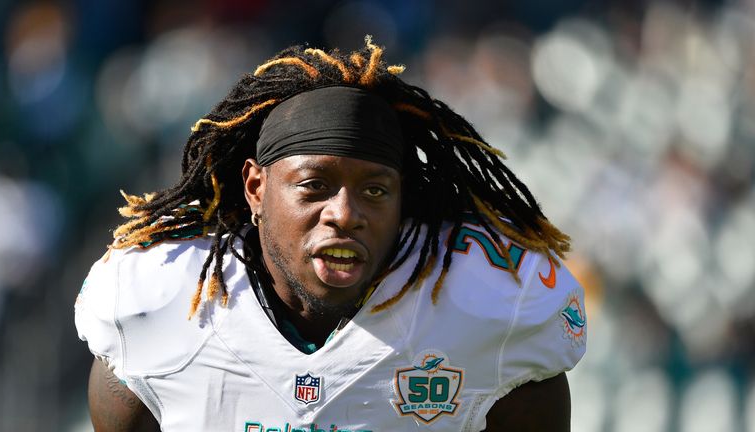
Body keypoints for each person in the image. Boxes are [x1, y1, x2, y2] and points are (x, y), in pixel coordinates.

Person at [75, 38, 586, 431]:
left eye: (376, 191)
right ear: (256, 188)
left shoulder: (492, 304)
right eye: (314, 186)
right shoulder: (157, 301)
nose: (344, 214)